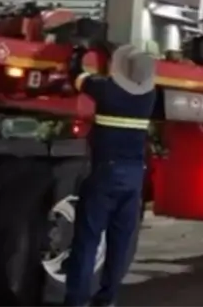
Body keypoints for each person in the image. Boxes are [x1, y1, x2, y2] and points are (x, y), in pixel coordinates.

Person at [62, 42, 158, 307]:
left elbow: (76, 75)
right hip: (134, 178)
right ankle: (107, 299)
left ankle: (77, 300)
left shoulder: (107, 91)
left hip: (106, 174)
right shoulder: (148, 97)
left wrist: (80, 51)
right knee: (119, 244)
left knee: (88, 239)